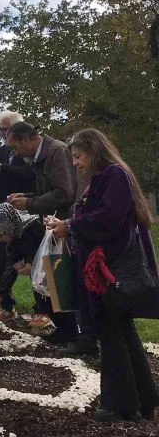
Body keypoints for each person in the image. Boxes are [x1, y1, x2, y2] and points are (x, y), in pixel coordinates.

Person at [47, 128, 158, 422]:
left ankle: (120, 405)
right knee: (121, 331)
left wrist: (71, 225)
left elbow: (109, 217)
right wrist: (69, 224)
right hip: (105, 268)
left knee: (111, 335)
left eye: (78, 156)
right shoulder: (107, 177)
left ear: (94, 151)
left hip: (108, 270)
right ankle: (142, 398)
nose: (76, 163)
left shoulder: (114, 176)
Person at [5, 122, 93, 351]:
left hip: (66, 226)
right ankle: (66, 330)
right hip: (56, 225)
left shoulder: (56, 152)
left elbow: (65, 193)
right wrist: (27, 197)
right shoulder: (44, 156)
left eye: (15, 147)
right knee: (53, 278)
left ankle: (76, 334)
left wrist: (31, 203)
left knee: (62, 278)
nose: (16, 153)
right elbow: (51, 190)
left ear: (27, 140)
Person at [0, 203, 78, 343]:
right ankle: (63, 331)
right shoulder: (16, 235)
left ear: (8, 228)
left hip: (56, 265)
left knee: (58, 299)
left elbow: (41, 246)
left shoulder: (33, 227)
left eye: (0, 234)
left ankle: (70, 333)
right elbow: (11, 265)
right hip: (44, 272)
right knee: (43, 299)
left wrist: (31, 264)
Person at [0, 111, 36, 320]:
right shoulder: (2, 151)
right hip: (6, 214)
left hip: (28, 211)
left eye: (6, 130)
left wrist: (1, 167)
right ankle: (7, 306)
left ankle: (43, 309)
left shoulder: (31, 152)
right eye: (0, 130)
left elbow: (30, 177)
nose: (2, 134)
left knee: (32, 262)